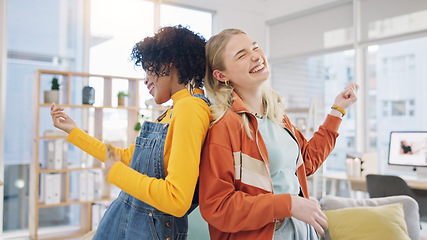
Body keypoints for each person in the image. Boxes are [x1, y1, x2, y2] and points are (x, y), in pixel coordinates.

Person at [50, 25, 211, 239]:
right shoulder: (173, 111)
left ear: (169, 64)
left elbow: (176, 200)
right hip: (130, 223)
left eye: (148, 68)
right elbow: (127, 157)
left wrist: (115, 172)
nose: (145, 79)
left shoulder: (190, 108)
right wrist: (75, 132)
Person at [199, 28, 358, 240]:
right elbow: (218, 207)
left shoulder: (277, 116)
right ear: (221, 75)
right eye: (242, 55)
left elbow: (307, 162)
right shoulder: (224, 127)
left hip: (300, 228)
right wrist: (288, 204)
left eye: (255, 47)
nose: (256, 55)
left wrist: (337, 110)